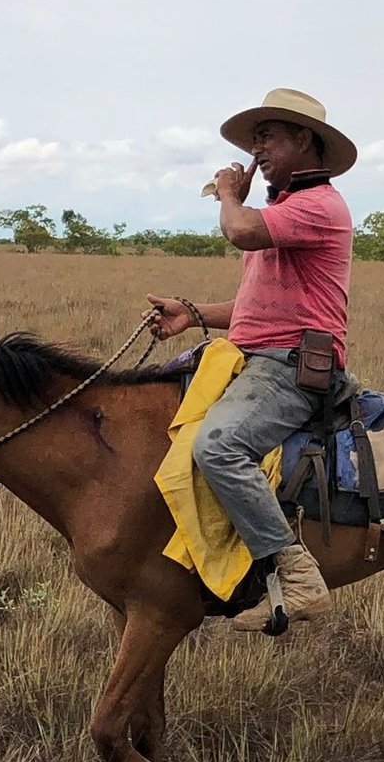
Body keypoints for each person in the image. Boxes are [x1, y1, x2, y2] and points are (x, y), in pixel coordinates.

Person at [147, 88, 357, 627]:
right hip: (257, 354)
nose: (257, 149)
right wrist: (191, 313)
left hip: (291, 365)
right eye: (254, 138)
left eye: (268, 136)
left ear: (304, 140)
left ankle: (296, 575)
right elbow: (253, 307)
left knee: (219, 445)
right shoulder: (285, 209)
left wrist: (227, 193)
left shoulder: (317, 205)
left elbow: (238, 230)